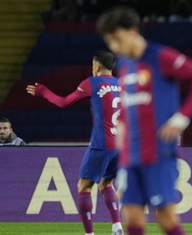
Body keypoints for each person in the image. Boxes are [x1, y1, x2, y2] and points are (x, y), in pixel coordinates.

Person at [96, 6, 192, 235]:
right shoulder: (125, 65)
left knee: (166, 219)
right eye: (110, 42)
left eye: (117, 39)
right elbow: (129, 106)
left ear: (132, 31)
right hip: (131, 156)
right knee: (132, 218)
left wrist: (182, 118)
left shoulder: (160, 56)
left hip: (158, 153)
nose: (114, 47)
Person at [26, 51, 123, 235]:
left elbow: (63, 102)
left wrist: (43, 92)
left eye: (92, 65)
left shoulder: (92, 83)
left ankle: (89, 234)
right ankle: (117, 226)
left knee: (83, 187)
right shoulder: (121, 84)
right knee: (106, 184)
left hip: (102, 143)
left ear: (96, 66)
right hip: (122, 145)